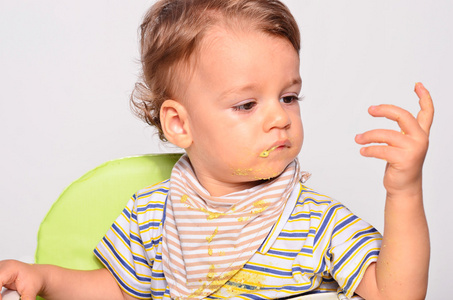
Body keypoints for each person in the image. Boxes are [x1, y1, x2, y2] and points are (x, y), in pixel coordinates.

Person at [0, 0, 433, 299]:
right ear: (180, 124)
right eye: (247, 104)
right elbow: (117, 290)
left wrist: (405, 189)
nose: (279, 118)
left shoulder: (314, 222)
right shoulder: (152, 214)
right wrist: (44, 277)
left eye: (288, 97)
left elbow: (397, 292)